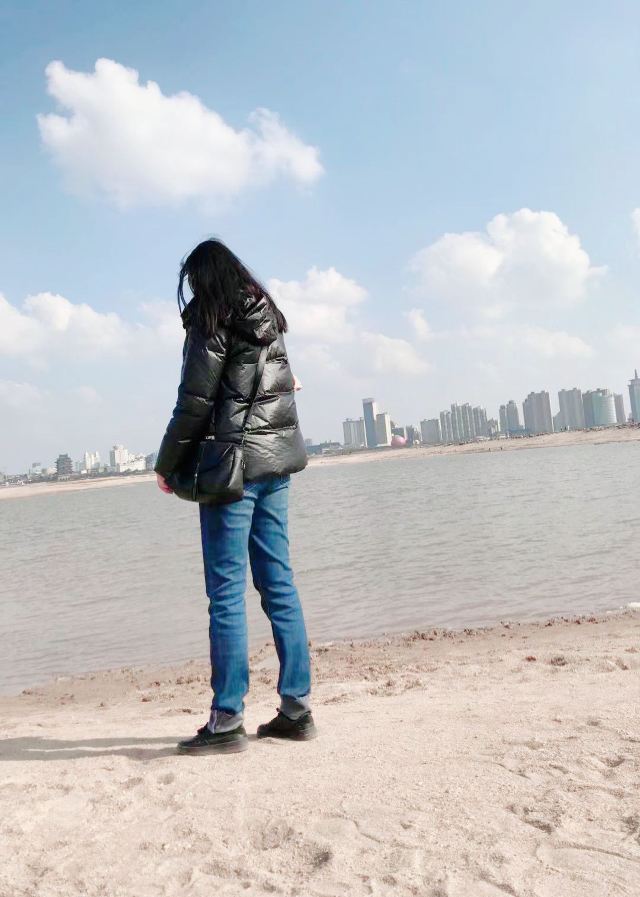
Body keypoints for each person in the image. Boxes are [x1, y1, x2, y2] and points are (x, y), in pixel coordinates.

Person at [154, 238, 315, 754]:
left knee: (225, 593)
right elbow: (281, 385)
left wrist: (166, 464)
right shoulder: (267, 316)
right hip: (276, 467)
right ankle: (297, 710)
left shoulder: (212, 318)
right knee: (279, 584)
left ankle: (227, 719)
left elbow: (194, 401)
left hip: (232, 473)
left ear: (201, 280)